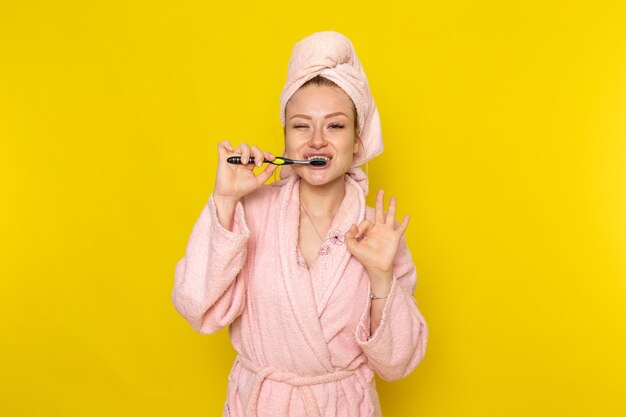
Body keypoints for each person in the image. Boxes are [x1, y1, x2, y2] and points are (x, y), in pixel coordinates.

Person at [172, 31, 428, 417]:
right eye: (302, 126)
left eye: (335, 126)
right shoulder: (250, 212)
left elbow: (398, 363)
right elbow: (197, 307)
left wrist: (381, 278)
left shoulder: (378, 234)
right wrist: (224, 200)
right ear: (287, 140)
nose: (317, 141)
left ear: (358, 142)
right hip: (261, 405)